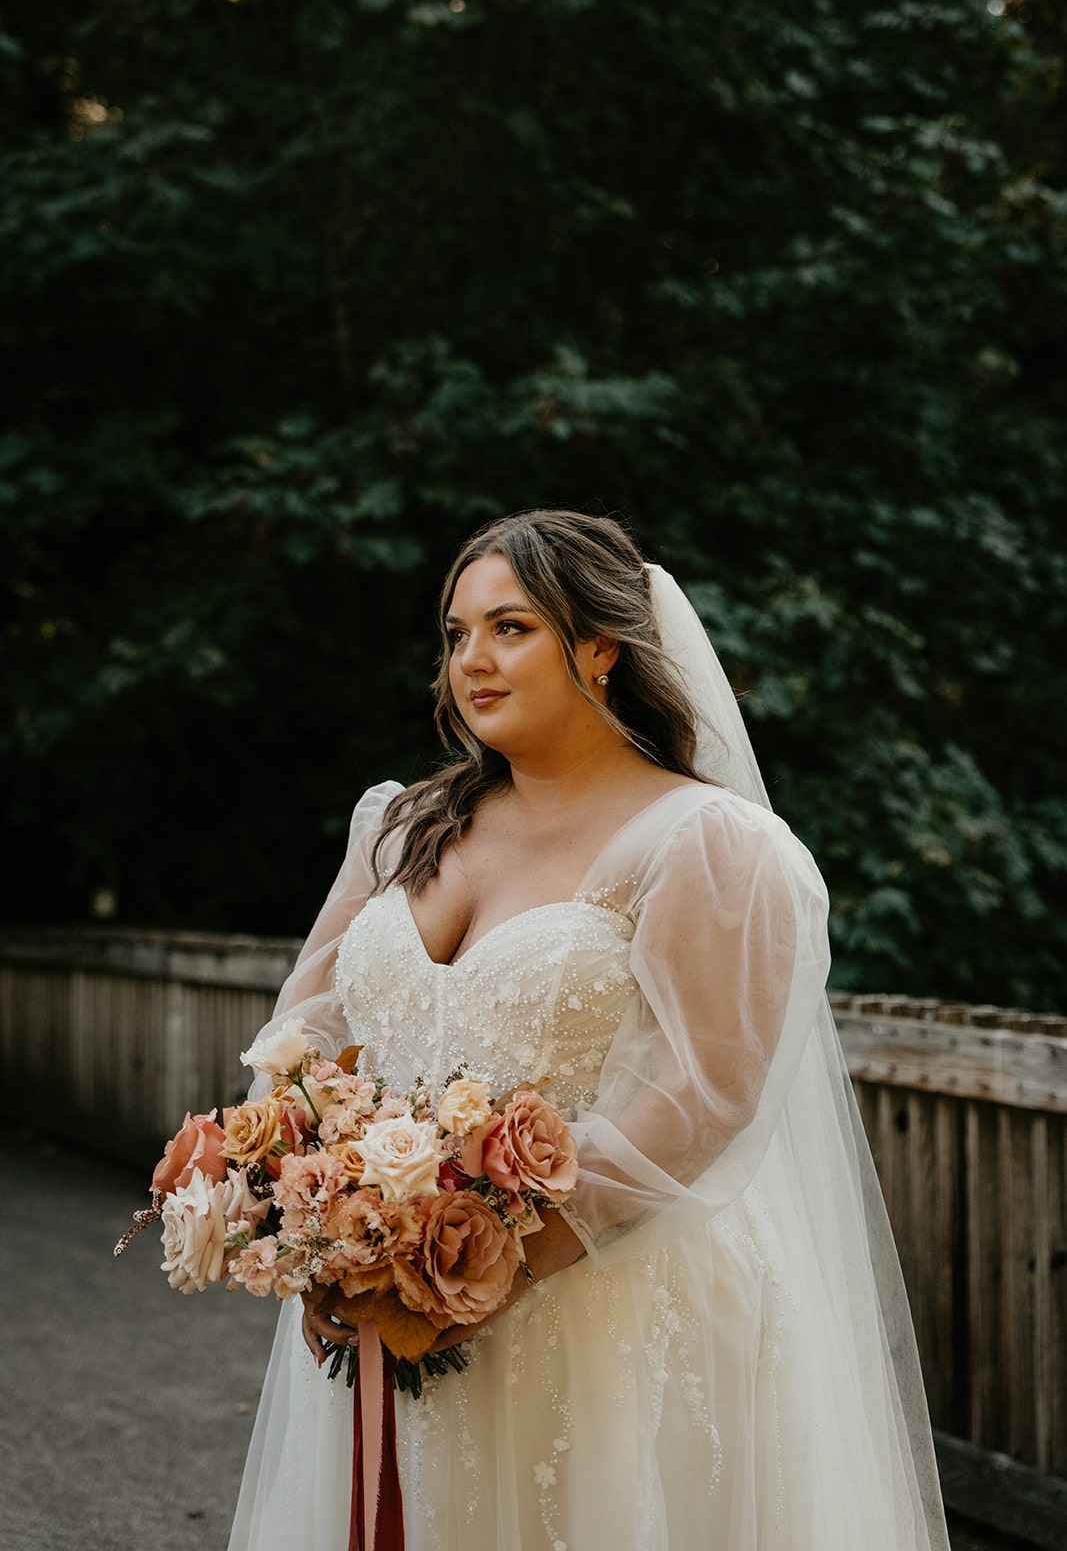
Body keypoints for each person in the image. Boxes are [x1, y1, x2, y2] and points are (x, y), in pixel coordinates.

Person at [228, 509, 950, 1551]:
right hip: (391, 1298)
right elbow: (305, 1023)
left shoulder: (703, 840)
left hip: (608, 1307)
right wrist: (318, 1229)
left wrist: (496, 1259)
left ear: (601, 646)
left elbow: (704, 1090)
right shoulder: (397, 828)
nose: (472, 659)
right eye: (455, 632)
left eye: (510, 627)